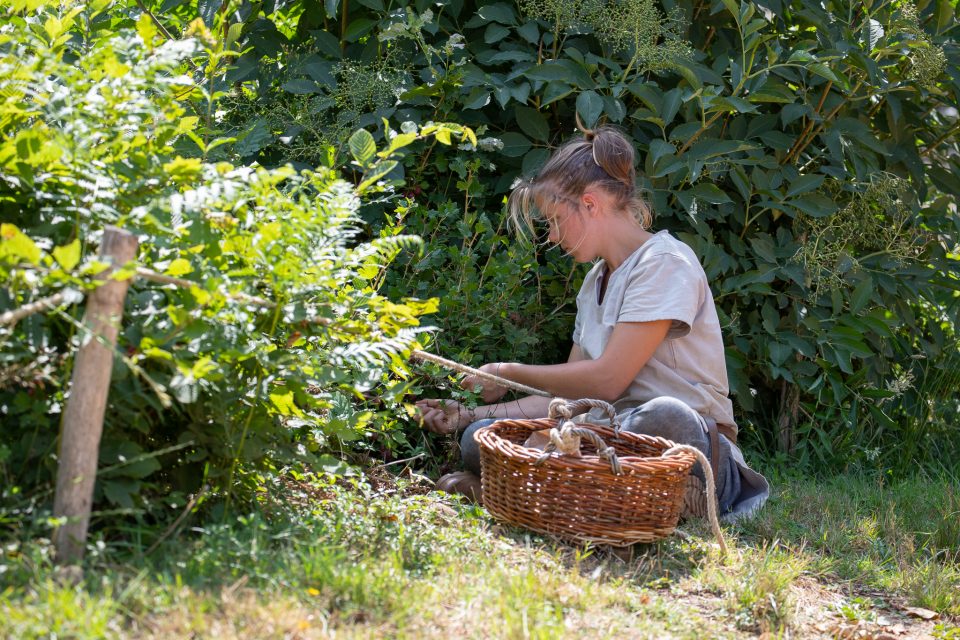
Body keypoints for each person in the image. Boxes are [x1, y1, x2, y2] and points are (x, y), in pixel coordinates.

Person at [416, 123, 768, 521]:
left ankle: (533, 495)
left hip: (686, 447)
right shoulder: (593, 281)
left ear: (589, 204)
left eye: (553, 219)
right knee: (475, 442)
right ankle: (581, 500)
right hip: (604, 439)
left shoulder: (665, 262)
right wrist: (469, 416)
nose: (551, 235)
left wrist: (505, 372)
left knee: (664, 415)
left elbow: (607, 381)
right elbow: (565, 402)